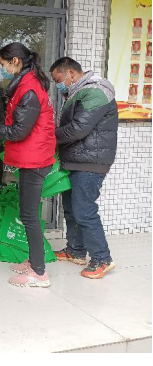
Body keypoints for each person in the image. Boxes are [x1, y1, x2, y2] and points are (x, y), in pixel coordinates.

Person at [0, 42, 56, 288]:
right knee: (27, 214)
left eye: (3, 63)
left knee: (29, 216)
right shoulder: (25, 84)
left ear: (15, 61)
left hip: (35, 159)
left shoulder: (29, 89)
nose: (3, 68)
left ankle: (39, 273)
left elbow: (19, 130)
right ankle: (34, 261)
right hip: (32, 156)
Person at [50, 57, 118, 279]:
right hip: (76, 159)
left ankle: (102, 259)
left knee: (84, 210)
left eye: (58, 80)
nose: (58, 85)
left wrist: (48, 138)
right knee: (71, 208)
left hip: (90, 161)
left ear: (71, 73)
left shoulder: (96, 91)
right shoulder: (77, 92)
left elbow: (78, 128)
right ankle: (76, 250)